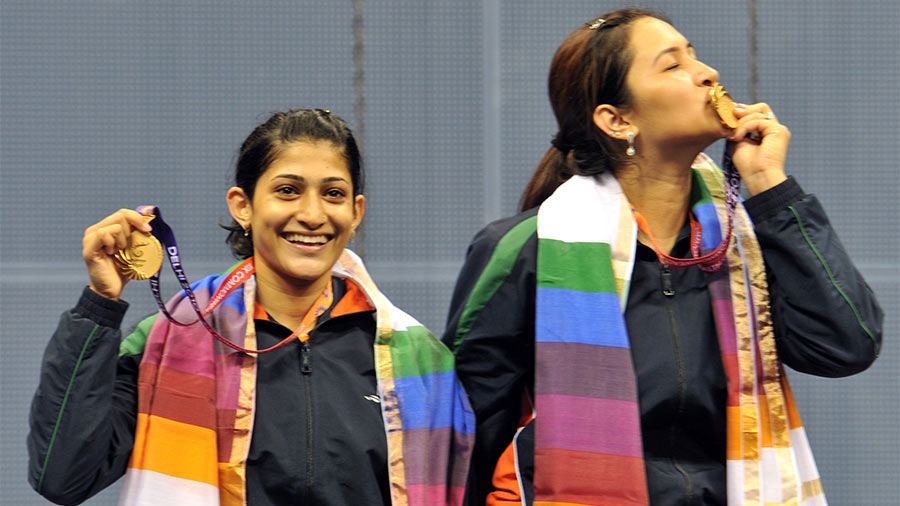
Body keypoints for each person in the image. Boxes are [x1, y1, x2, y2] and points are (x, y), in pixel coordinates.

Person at [442, 9, 882, 506]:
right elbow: (469, 427)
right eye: (672, 65)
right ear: (617, 119)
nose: (707, 73)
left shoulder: (745, 248)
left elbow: (846, 347)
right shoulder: (529, 248)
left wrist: (769, 185)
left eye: (694, 56)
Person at [28, 108, 475, 506]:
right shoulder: (175, 338)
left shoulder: (415, 358)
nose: (313, 214)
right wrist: (100, 304)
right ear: (243, 206)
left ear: (356, 213)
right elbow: (63, 477)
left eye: (334, 194)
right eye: (288, 190)